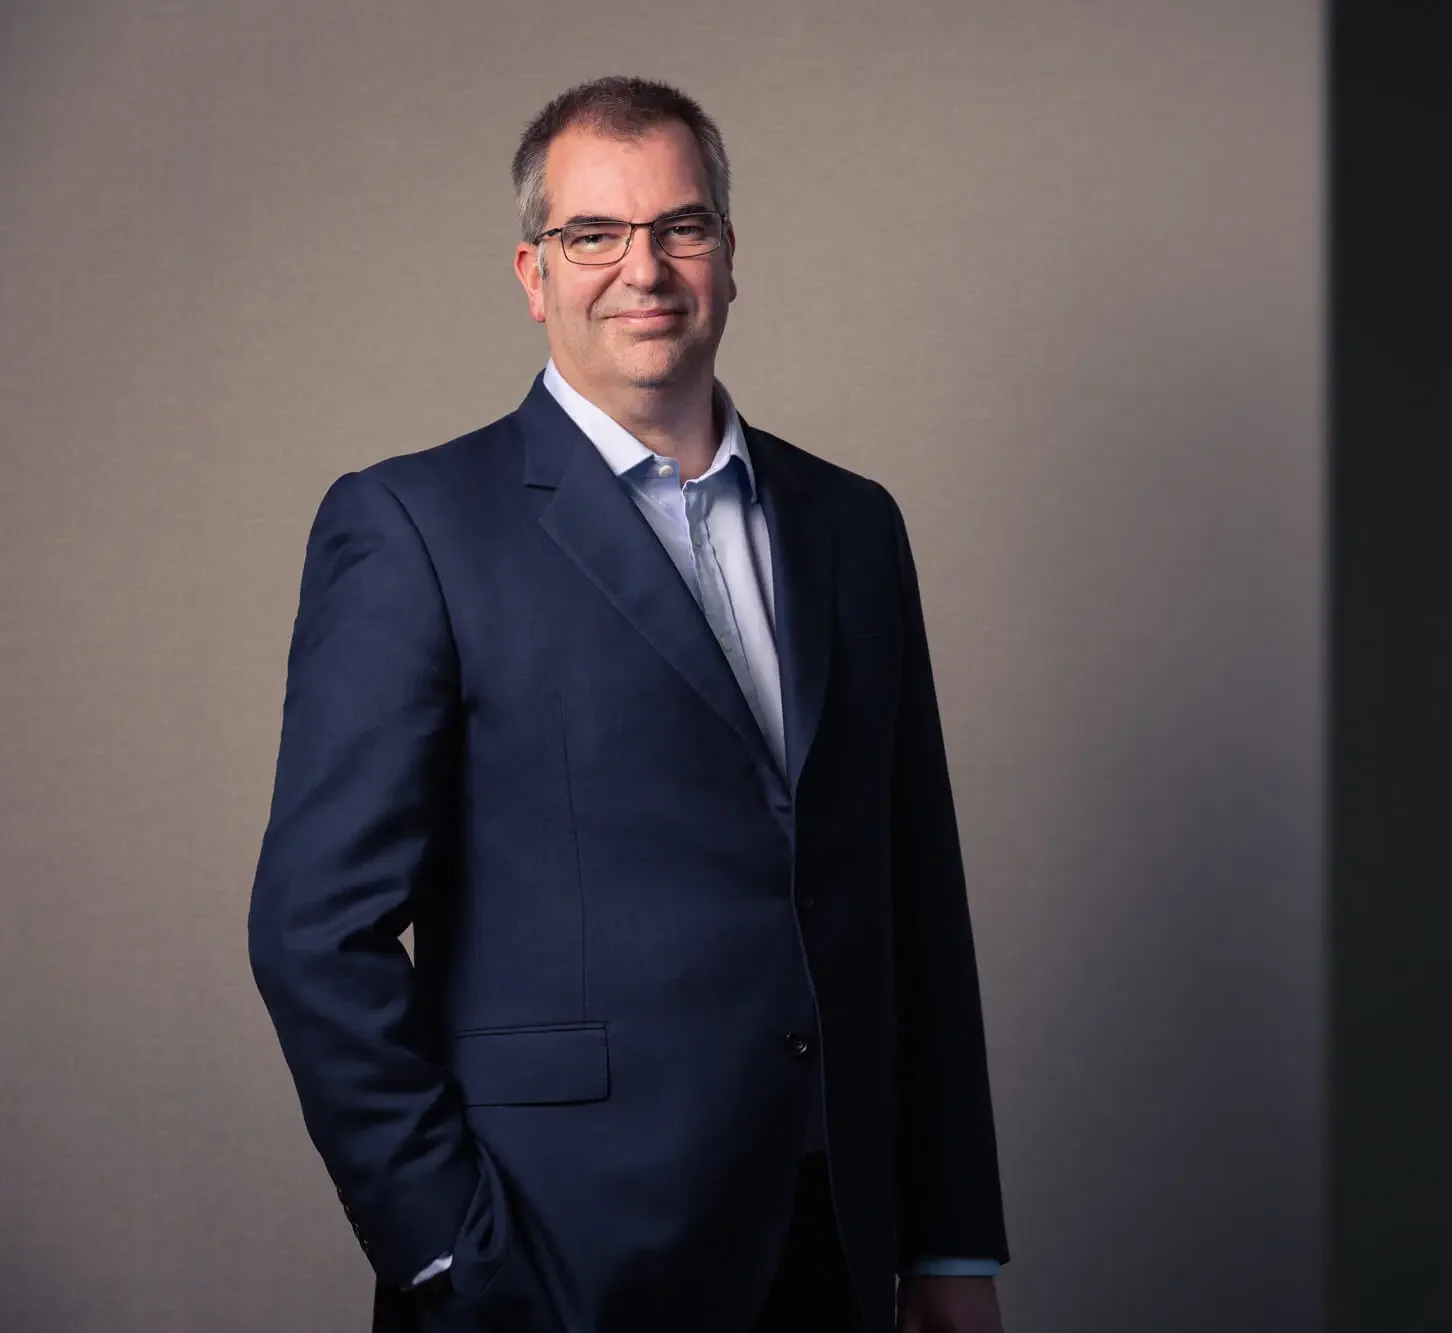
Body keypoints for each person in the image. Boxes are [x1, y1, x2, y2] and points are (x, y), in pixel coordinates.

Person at [247, 75, 1009, 1333]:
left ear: (726, 256)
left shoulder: (853, 528)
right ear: (532, 273)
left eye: (681, 227)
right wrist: (442, 1250)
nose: (642, 268)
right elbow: (311, 934)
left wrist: (947, 1247)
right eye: (593, 234)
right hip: (552, 1261)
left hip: (831, 1243)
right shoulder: (414, 528)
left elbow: (912, 897)